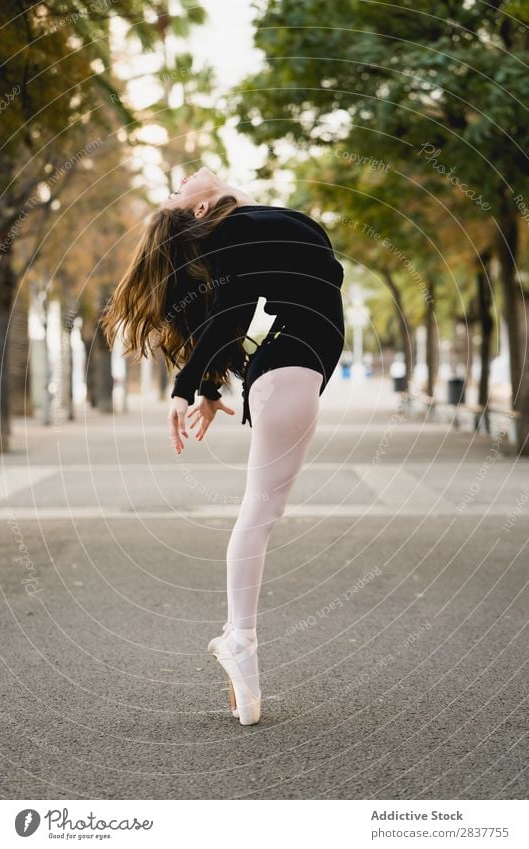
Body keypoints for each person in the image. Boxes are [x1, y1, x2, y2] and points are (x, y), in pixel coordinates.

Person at [101, 166, 345, 725]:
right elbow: (232, 313)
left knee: (265, 513)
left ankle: (242, 649)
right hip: (288, 371)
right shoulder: (242, 229)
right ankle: (241, 639)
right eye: (176, 191)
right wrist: (187, 387)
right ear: (202, 210)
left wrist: (208, 386)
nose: (184, 178)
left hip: (290, 372)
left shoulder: (259, 228)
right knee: (259, 516)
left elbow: (230, 314)